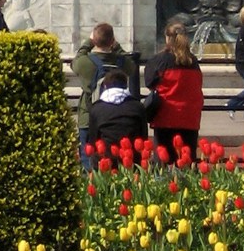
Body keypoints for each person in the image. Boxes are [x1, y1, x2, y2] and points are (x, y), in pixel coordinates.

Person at [72, 22, 136, 153]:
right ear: (112, 40)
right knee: (116, 157)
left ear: (94, 40)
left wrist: (88, 43)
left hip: (89, 116)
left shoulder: (85, 62)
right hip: (117, 116)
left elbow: (76, 61)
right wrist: (117, 47)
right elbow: (132, 66)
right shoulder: (122, 62)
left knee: (89, 156)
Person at [145, 21, 203, 162]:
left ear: (167, 38)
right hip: (189, 116)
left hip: (166, 114)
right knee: (187, 159)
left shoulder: (159, 60)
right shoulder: (193, 61)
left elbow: (149, 82)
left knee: (163, 160)